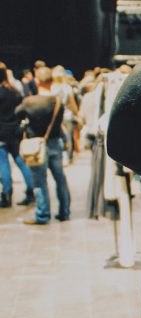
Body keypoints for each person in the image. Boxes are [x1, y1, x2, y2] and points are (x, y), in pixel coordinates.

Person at [15, 70, 71, 224]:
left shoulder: (29, 102)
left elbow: (17, 113)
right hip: (54, 143)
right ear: (51, 81)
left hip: (36, 145)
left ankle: (42, 215)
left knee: (39, 182)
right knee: (60, 179)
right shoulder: (57, 101)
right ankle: (64, 212)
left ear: (37, 82)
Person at [0, 62, 35, 207]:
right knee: (20, 161)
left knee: (3, 164)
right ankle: (31, 190)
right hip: (15, 132)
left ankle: (6, 195)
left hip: (1, 133)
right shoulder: (15, 91)